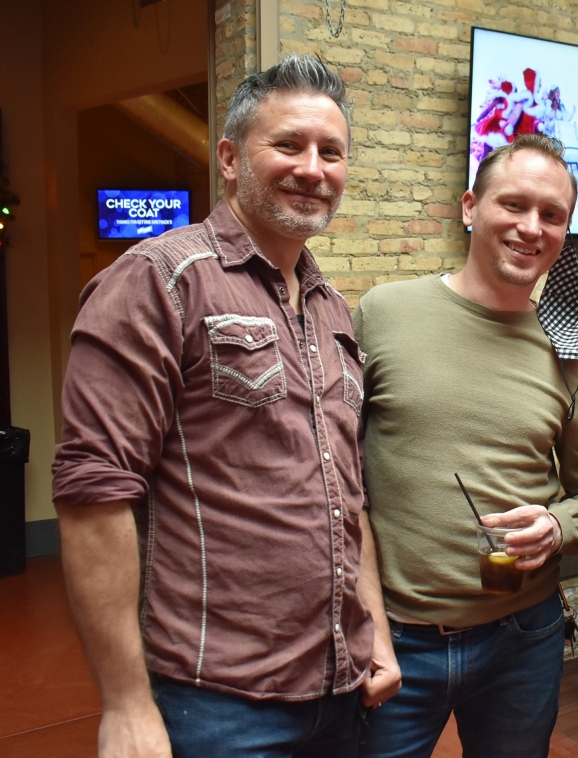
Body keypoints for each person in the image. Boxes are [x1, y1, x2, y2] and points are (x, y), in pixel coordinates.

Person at [51, 56, 377, 758]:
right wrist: (125, 702)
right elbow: (92, 491)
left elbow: (346, 492)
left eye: (331, 152)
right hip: (218, 704)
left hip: (341, 688)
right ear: (229, 158)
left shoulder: (331, 307)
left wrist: (372, 632)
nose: (313, 168)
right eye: (288, 145)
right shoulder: (157, 280)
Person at [353, 132, 578, 758]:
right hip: (394, 638)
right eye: (514, 205)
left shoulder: (568, 351)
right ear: (470, 207)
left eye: (552, 214)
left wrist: (558, 526)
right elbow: (334, 471)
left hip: (522, 641)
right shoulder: (383, 313)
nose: (531, 227)